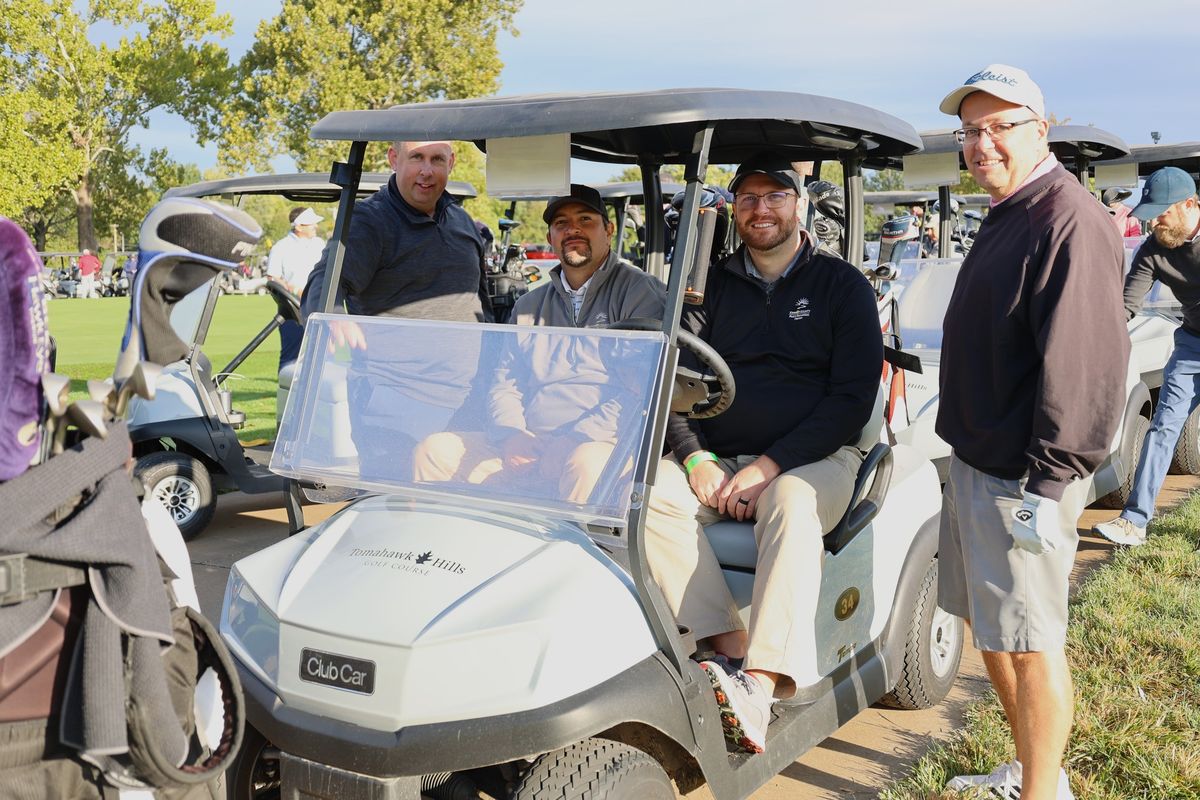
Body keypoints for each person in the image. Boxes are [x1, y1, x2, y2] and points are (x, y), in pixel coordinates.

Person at [641, 154, 883, 754]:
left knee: (791, 500)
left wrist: (768, 466)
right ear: (734, 209)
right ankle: (725, 644)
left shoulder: (841, 286)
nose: (760, 209)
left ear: (799, 205)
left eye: (775, 196)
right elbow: (673, 379)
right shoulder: (711, 285)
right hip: (720, 455)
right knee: (645, 495)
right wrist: (694, 458)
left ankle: (762, 681)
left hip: (819, 458)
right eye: (748, 197)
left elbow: (851, 400)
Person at [934, 65, 1129, 800]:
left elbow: (1085, 371)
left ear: (1041, 129)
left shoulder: (1067, 219)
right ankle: (1026, 770)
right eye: (971, 131)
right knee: (997, 633)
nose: (982, 144)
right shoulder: (1010, 208)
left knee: (1035, 642)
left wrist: (1045, 491)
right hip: (979, 461)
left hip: (1023, 477)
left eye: (999, 127)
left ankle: (1046, 793)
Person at [413, 184, 666, 498]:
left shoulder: (640, 293)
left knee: (584, 465)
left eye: (585, 220)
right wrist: (511, 436)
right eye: (561, 224)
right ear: (550, 238)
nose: (573, 229)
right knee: (435, 451)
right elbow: (506, 382)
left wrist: (574, 439)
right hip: (529, 442)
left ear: (609, 230)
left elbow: (641, 389)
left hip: (602, 443)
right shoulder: (529, 306)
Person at [1094, 167, 1200, 547]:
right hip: (1192, 344)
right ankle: (1134, 521)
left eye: (1163, 212)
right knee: (1163, 425)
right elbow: (1125, 307)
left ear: (1190, 205)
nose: (1154, 221)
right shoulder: (1154, 249)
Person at [300, 140, 492, 322]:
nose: (427, 171)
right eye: (416, 157)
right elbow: (325, 281)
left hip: (470, 357)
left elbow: (482, 302)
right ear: (394, 159)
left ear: (450, 163)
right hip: (389, 357)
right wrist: (333, 319)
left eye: (437, 159)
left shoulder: (463, 221)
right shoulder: (370, 220)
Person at [267, 206, 326, 369]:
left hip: (319, 308)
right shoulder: (281, 247)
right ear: (299, 227)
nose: (316, 226)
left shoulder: (320, 244)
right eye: (311, 224)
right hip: (293, 310)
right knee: (290, 358)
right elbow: (273, 278)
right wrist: (293, 289)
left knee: (322, 358)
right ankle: (286, 393)